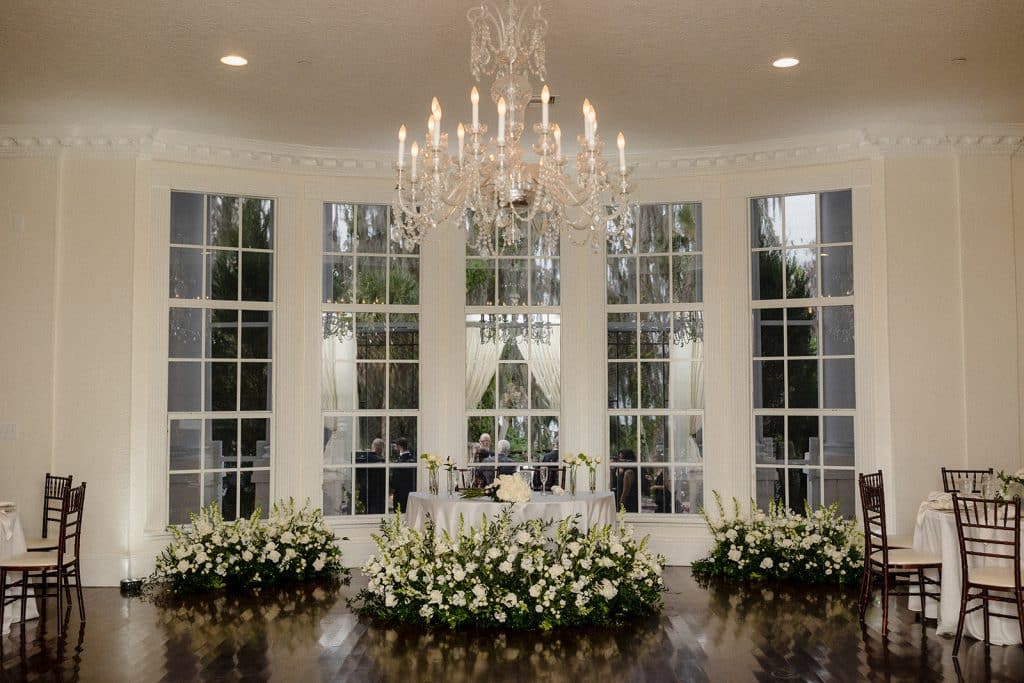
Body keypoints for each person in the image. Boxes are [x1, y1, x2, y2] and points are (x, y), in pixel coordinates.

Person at [390, 437, 416, 511]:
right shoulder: (413, 459)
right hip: (411, 492)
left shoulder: (400, 462)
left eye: (395, 446)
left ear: (399, 446)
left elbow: (395, 480)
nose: (395, 448)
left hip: (400, 494)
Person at [611, 448, 638, 512]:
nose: (619, 460)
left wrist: (622, 500)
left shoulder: (629, 471)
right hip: (619, 496)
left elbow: (626, 490)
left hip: (627, 500)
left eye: (621, 457)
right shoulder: (622, 469)